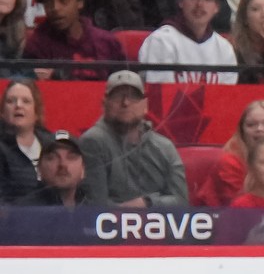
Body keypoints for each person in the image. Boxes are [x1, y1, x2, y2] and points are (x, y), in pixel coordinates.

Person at [79, 68, 189, 207]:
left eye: (133, 96)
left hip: (161, 227)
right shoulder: (92, 142)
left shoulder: (164, 147)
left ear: (145, 105)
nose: (125, 103)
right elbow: (95, 205)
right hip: (109, 226)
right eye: (117, 96)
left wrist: (147, 203)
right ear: (104, 103)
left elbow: (182, 202)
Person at [21, 0, 126, 83]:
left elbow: (123, 87)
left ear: (80, 2)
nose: (55, 8)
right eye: (48, 3)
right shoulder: (36, 44)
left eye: (63, 1)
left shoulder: (107, 43)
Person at [138, 0, 236, 84]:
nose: (200, 4)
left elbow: (227, 98)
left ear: (216, 7)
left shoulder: (224, 48)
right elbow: (160, 96)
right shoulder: (161, 40)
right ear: (181, 1)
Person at [1, 77, 52, 202]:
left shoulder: (51, 144)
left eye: (26, 101)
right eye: (11, 101)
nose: (18, 105)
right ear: (2, 112)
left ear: (36, 112)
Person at [14, 127, 89, 208]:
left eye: (71, 157)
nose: (62, 164)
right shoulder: (25, 211)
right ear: (39, 168)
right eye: (52, 157)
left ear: (83, 169)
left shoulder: (94, 210)